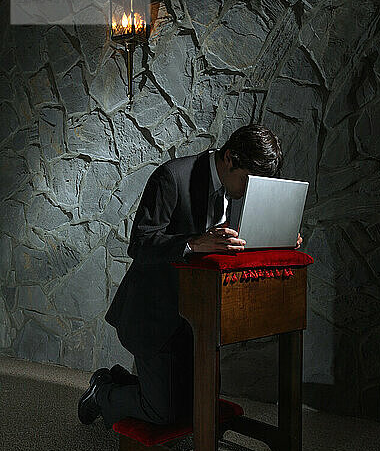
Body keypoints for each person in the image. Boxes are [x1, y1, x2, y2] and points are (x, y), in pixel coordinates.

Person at [78, 124, 302, 428]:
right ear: (230, 158)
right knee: (164, 414)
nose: (250, 192)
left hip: (197, 318)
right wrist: (193, 243)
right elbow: (139, 244)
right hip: (153, 315)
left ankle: (117, 378)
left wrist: (280, 238)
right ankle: (102, 392)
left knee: (196, 404)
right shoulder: (172, 176)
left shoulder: (241, 188)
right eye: (248, 181)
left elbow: (238, 243)